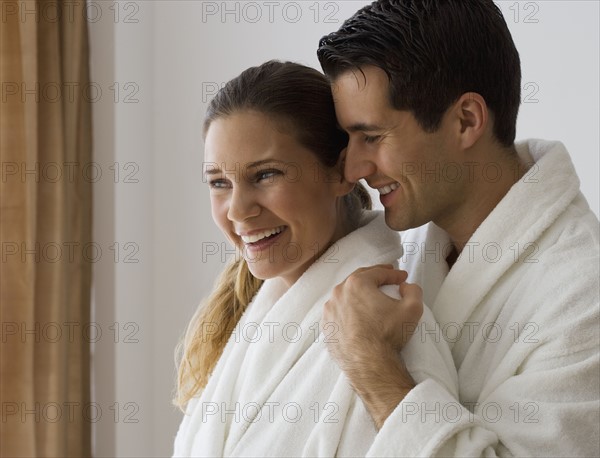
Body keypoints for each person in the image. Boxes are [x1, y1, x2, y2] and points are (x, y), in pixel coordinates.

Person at [317, 0, 600, 456]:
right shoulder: (400, 251)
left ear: (466, 120)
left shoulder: (584, 294)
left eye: (371, 137)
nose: (352, 168)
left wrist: (371, 363)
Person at [172, 60, 458, 457]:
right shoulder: (251, 321)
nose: (237, 210)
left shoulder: (392, 326)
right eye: (219, 182)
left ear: (342, 171)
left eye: (266, 174)